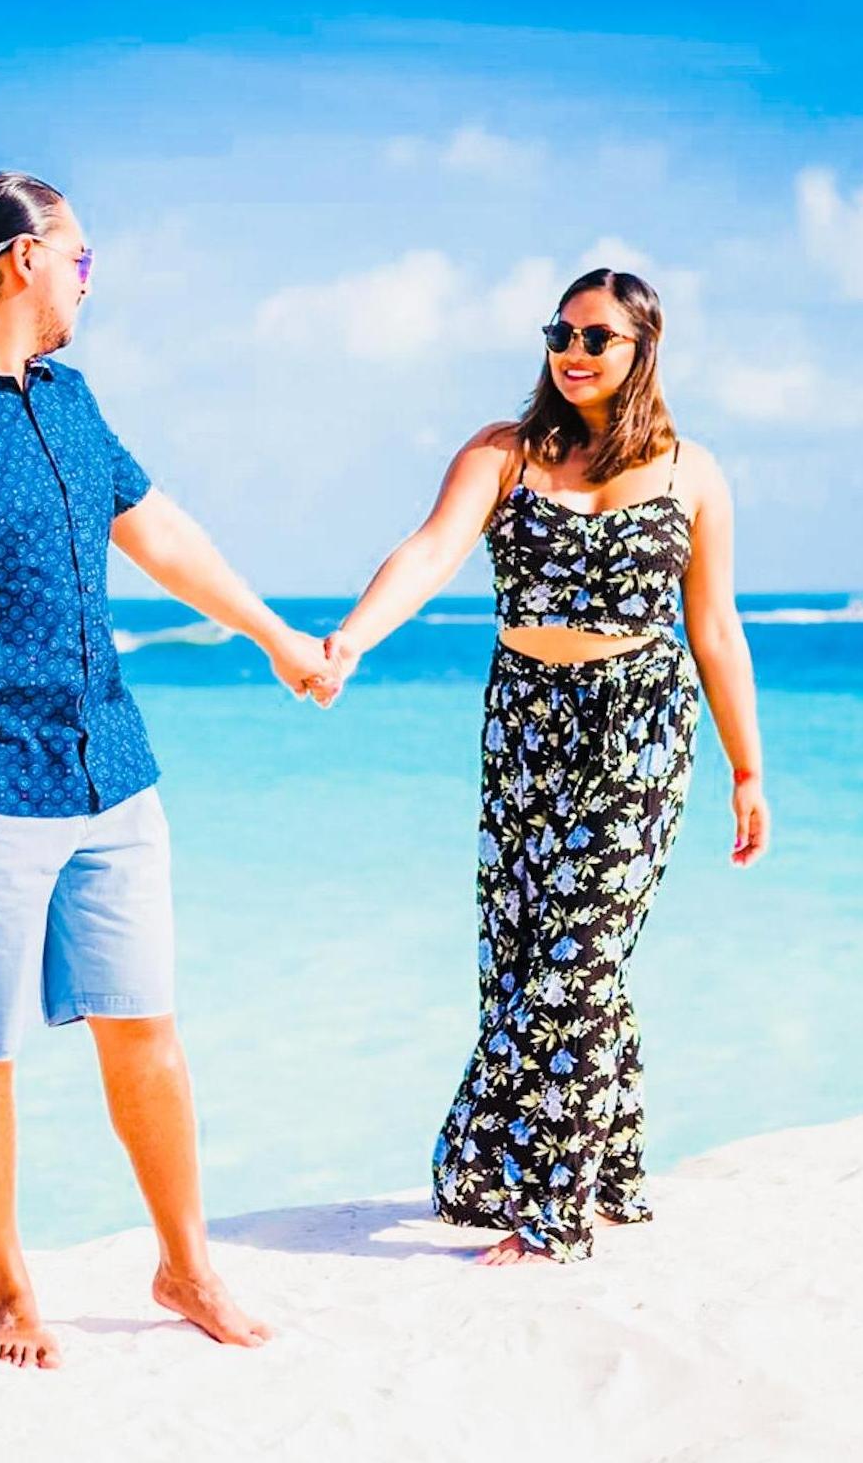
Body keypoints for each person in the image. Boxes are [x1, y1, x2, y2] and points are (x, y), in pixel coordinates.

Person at [0, 170, 333, 1368]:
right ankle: (4, 1289)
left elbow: (156, 530)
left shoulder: (69, 397)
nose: (91, 282)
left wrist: (272, 635)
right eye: (83, 259)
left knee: (146, 1024)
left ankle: (185, 1264)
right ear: (18, 255)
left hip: (112, 763)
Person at [320, 268, 770, 1264]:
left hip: (643, 730)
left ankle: (553, 1214)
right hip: (526, 727)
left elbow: (716, 629)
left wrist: (748, 769)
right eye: (561, 332)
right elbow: (431, 552)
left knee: (578, 958)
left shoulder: (694, 473)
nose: (573, 350)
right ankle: (608, 1172)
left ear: (642, 347)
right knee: (531, 957)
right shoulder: (504, 454)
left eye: (597, 336)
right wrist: (351, 640)